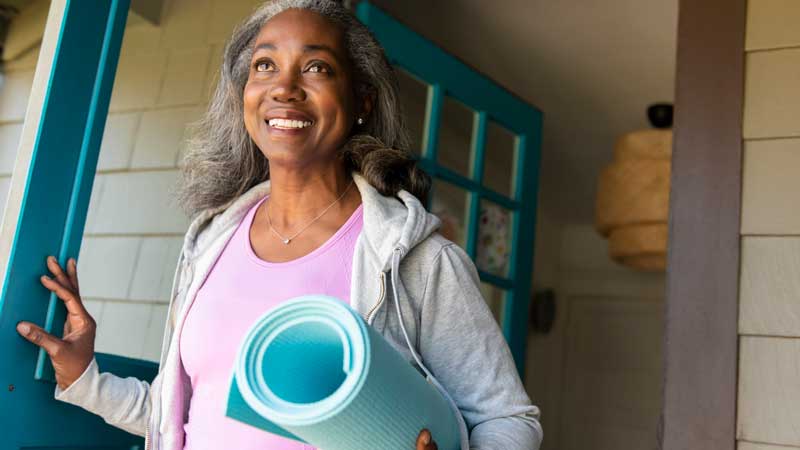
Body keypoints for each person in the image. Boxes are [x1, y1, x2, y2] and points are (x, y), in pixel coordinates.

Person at [15, 1, 543, 449]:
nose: (283, 88)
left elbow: (509, 420)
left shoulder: (416, 260)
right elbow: (185, 416)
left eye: (316, 68)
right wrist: (85, 379)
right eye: (264, 66)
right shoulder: (210, 241)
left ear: (361, 100)